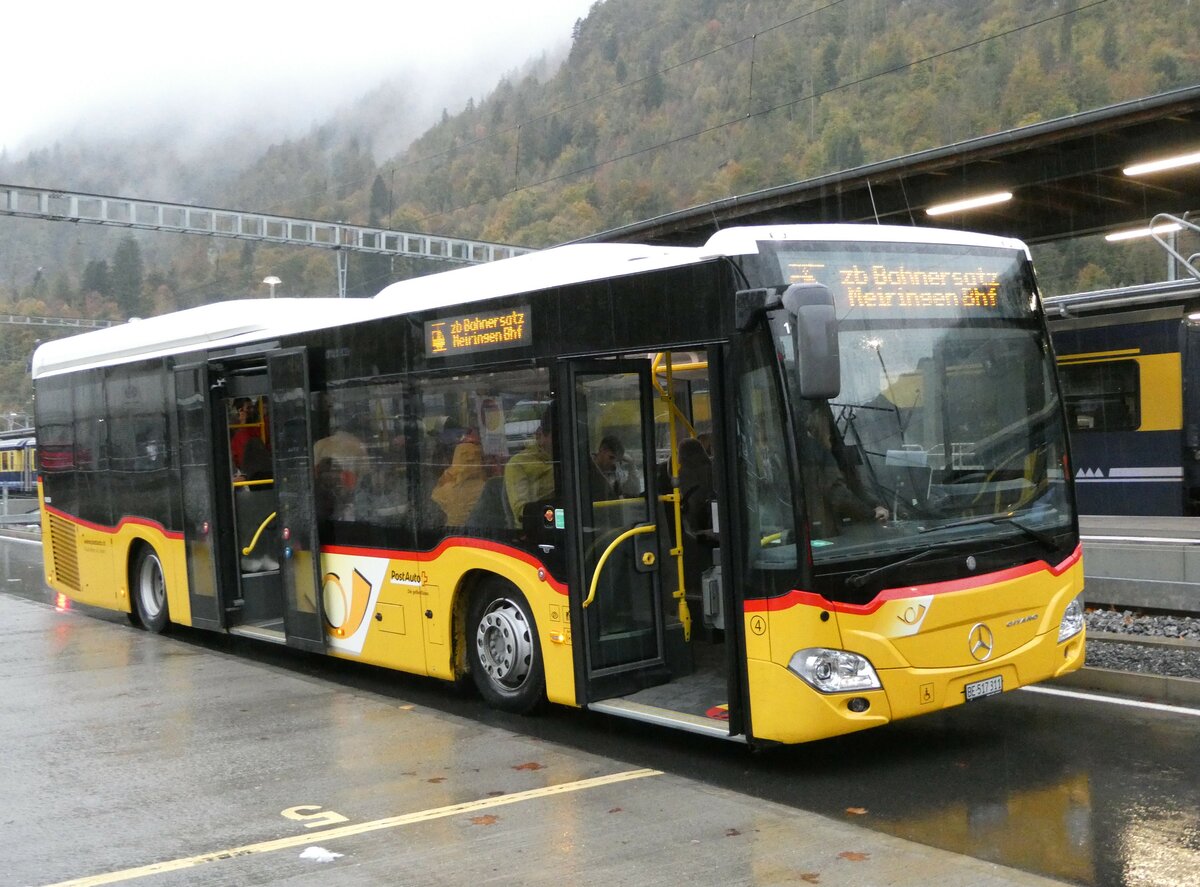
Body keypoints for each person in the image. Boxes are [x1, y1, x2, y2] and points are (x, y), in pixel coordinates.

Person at [802, 403, 888, 535]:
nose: (831, 435)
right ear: (819, 425)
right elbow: (839, 495)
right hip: (822, 535)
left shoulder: (837, 454)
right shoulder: (816, 453)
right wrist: (871, 514)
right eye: (828, 427)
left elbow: (856, 488)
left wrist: (876, 505)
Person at [504, 407, 555, 526]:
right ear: (539, 435)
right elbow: (522, 512)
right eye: (557, 436)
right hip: (536, 531)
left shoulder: (576, 461)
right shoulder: (519, 464)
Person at [432, 428, 487, 525]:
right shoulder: (487, 488)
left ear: (456, 458)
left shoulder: (445, 490)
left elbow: (433, 513)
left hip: (452, 532)